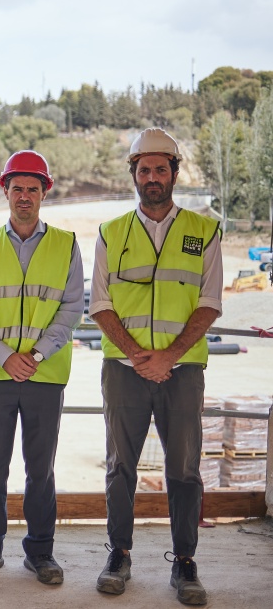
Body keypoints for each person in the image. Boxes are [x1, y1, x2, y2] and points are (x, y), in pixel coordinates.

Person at [91, 128, 221, 606]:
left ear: (173, 173)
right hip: (124, 370)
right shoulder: (112, 232)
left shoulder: (204, 232)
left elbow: (209, 303)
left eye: (160, 169)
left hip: (182, 371)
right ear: (134, 174)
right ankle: (119, 555)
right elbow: (100, 305)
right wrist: (137, 356)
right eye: (143, 169)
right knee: (120, 467)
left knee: (184, 469)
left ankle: (185, 562)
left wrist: (168, 356)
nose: (151, 177)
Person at [0, 151, 83, 585]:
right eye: (18, 188)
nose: (25, 196)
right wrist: (4, 355)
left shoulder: (67, 245)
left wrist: (34, 356)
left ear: (45, 192)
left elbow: (72, 309)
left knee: (40, 468)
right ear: (6, 191)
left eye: (34, 189)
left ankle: (40, 552)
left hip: (44, 375)